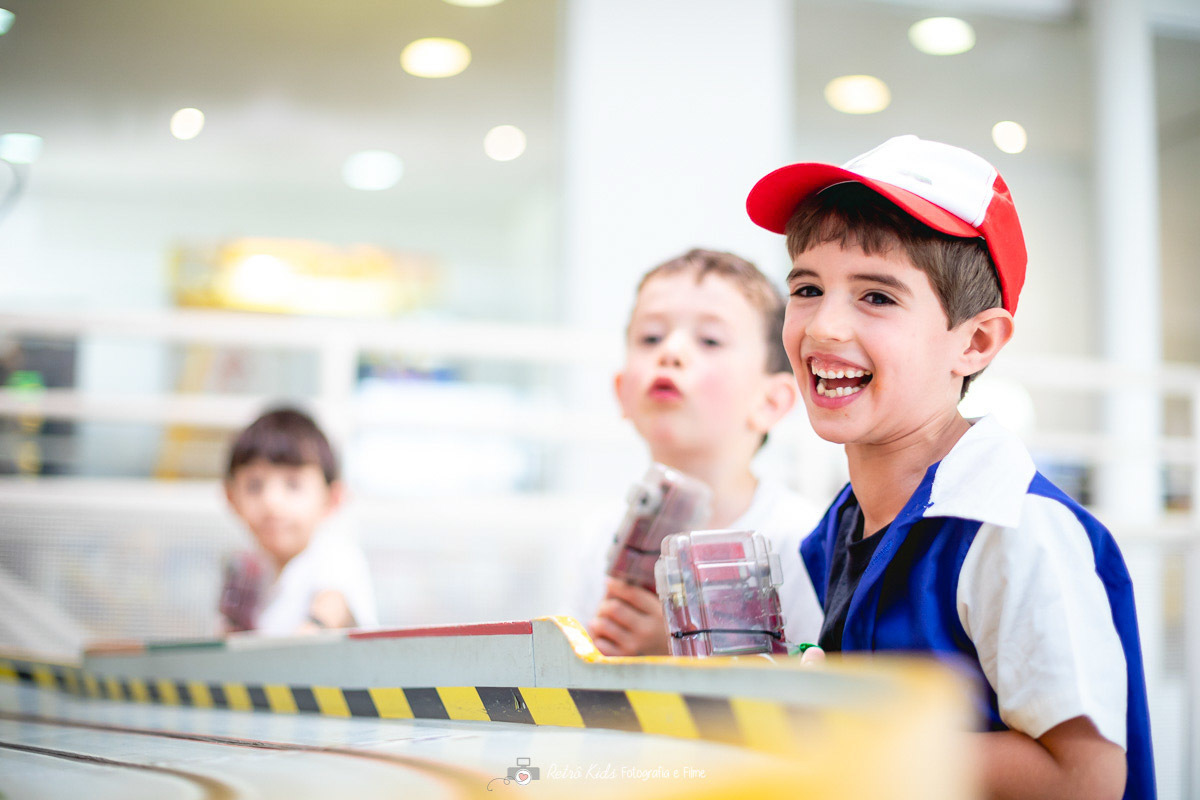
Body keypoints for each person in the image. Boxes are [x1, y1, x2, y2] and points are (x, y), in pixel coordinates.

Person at [745, 134, 1153, 799]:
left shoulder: (1014, 530)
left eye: (877, 296)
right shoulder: (840, 529)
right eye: (808, 288)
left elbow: (1086, 777)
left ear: (976, 340)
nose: (822, 328)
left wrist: (841, 731)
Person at [577, 248, 824, 656]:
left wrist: (671, 655)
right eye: (650, 337)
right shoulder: (600, 537)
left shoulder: (802, 541)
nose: (670, 351)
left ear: (771, 402)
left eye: (710, 340)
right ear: (621, 391)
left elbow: (813, 696)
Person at [220, 406, 378, 635]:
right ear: (231, 497)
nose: (271, 502)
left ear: (332, 499)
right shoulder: (246, 572)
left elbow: (332, 605)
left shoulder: (335, 557)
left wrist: (313, 627)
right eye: (255, 486)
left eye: (293, 485)